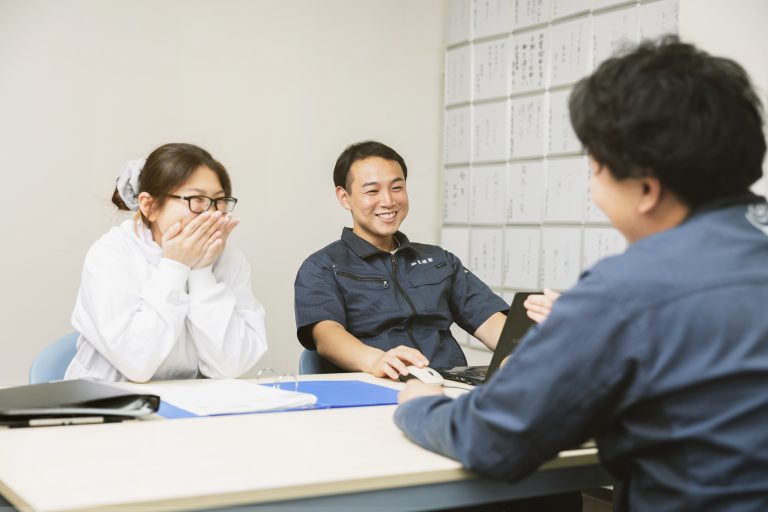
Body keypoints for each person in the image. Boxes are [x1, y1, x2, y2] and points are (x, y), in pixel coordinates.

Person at [395, 37, 768, 512]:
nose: (593, 189)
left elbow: (491, 438)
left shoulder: (628, 290)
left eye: (595, 170)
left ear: (646, 188)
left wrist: (418, 404)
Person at [293, 141, 509, 380]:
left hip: (449, 386)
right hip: (378, 386)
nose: (388, 201)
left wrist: (522, 352)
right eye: (372, 191)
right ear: (345, 197)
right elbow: (326, 335)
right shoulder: (322, 267)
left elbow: (489, 320)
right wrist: (376, 360)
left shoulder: (439, 259)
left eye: (397, 188)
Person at [65, 143, 268, 382]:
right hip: (107, 404)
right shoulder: (111, 253)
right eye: (197, 200)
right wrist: (176, 266)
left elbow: (232, 364)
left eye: (218, 201)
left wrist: (201, 272)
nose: (211, 214)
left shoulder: (227, 257)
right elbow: (138, 363)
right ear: (149, 206)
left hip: (192, 407)